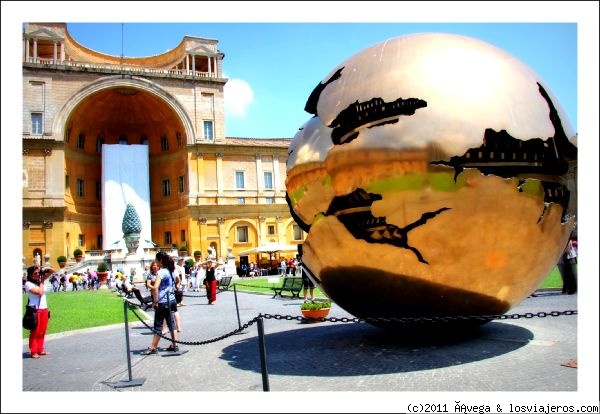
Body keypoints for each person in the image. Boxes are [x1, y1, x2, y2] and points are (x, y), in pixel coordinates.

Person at [141, 252, 181, 355]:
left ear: (161, 261)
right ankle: (174, 345)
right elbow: (177, 280)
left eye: (157, 260)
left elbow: (155, 287)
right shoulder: (171, 271)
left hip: (163, 301)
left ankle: (153, 347)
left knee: (158, 325)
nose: (156, 263)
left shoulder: (162, 272)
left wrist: (155, 301)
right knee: (171, 324)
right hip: (171, 299)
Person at [24, 265, 55, 358]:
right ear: (30, 275)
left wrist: (45, 269)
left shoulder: (39, 281)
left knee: (42, 330)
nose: (37, 275)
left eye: (38, 273)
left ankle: (40, 349)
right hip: (35, 310)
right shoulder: (28, 284)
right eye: (35, 273)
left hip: (44, 309)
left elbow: (53, 271)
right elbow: (39, 292)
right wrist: (42, 281)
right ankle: (33, 351)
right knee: (35, 331)